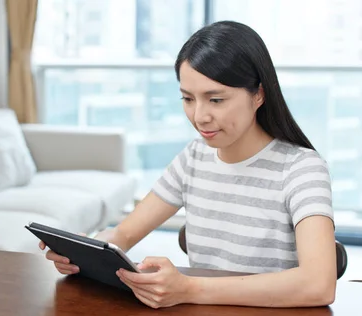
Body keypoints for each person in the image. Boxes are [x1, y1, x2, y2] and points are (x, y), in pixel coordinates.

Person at [39, 20, 336, 309]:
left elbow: (318, 284)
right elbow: (123, 235)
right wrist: (84, 251)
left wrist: (189, 288)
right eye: (188, 99)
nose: (199, 116)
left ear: (258, 94)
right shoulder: (194, 157)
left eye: (216, 100)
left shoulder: (301, 169)